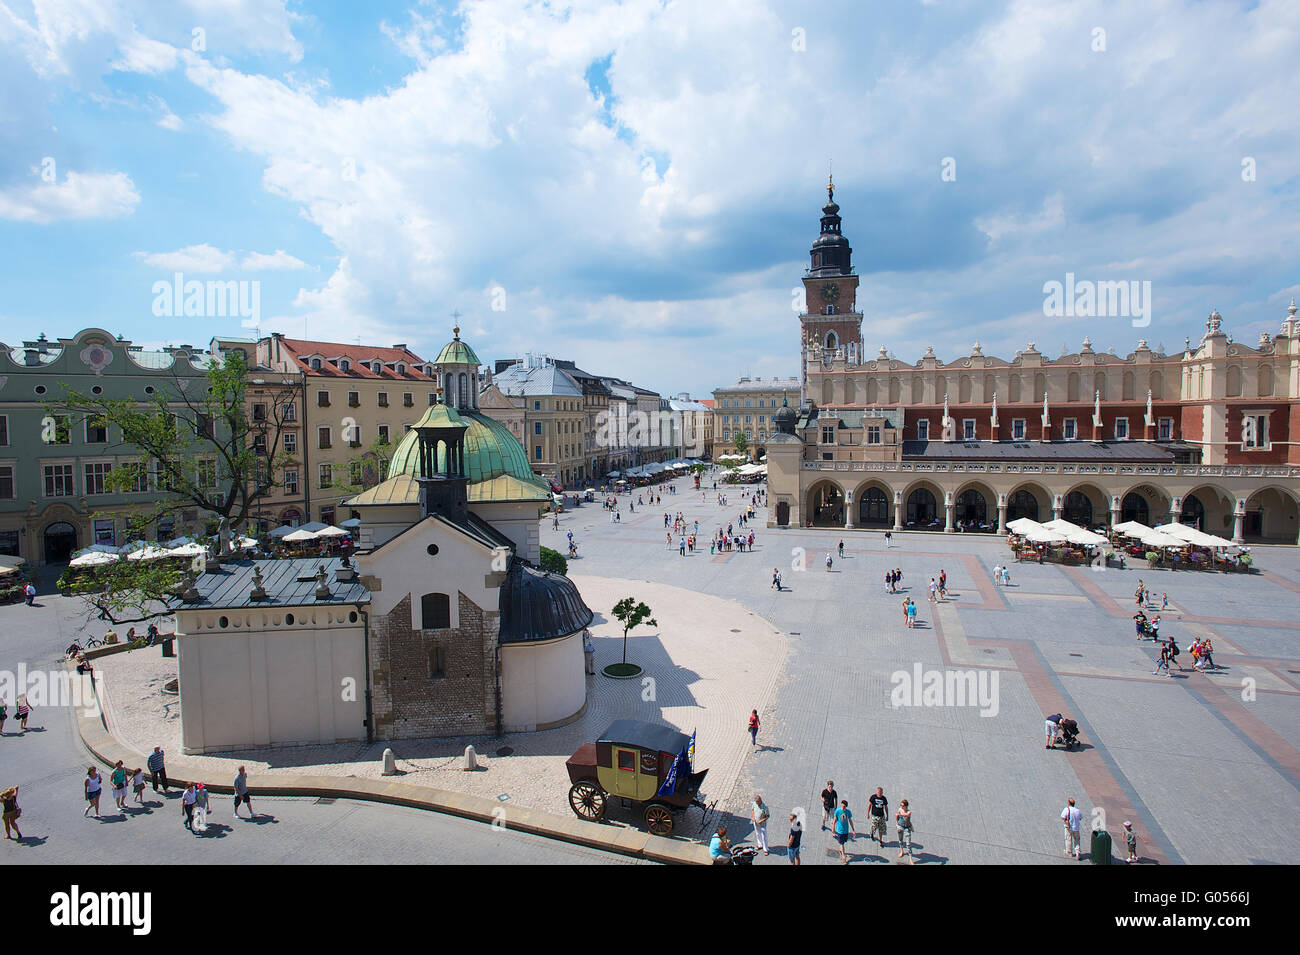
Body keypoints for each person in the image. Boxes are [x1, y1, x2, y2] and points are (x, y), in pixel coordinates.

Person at [833, 799, 856, 864]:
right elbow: (834, 820)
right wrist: (833, 829)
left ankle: (841, 850)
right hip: (839, 831)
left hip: (846, 831)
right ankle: (844, 857)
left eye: (844, 806)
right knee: (842, 843)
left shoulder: (848, 812)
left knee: (843, 842)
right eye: (842, 806)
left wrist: (853, 830)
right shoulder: (837, 811)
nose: (843, 807)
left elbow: (850, 821)